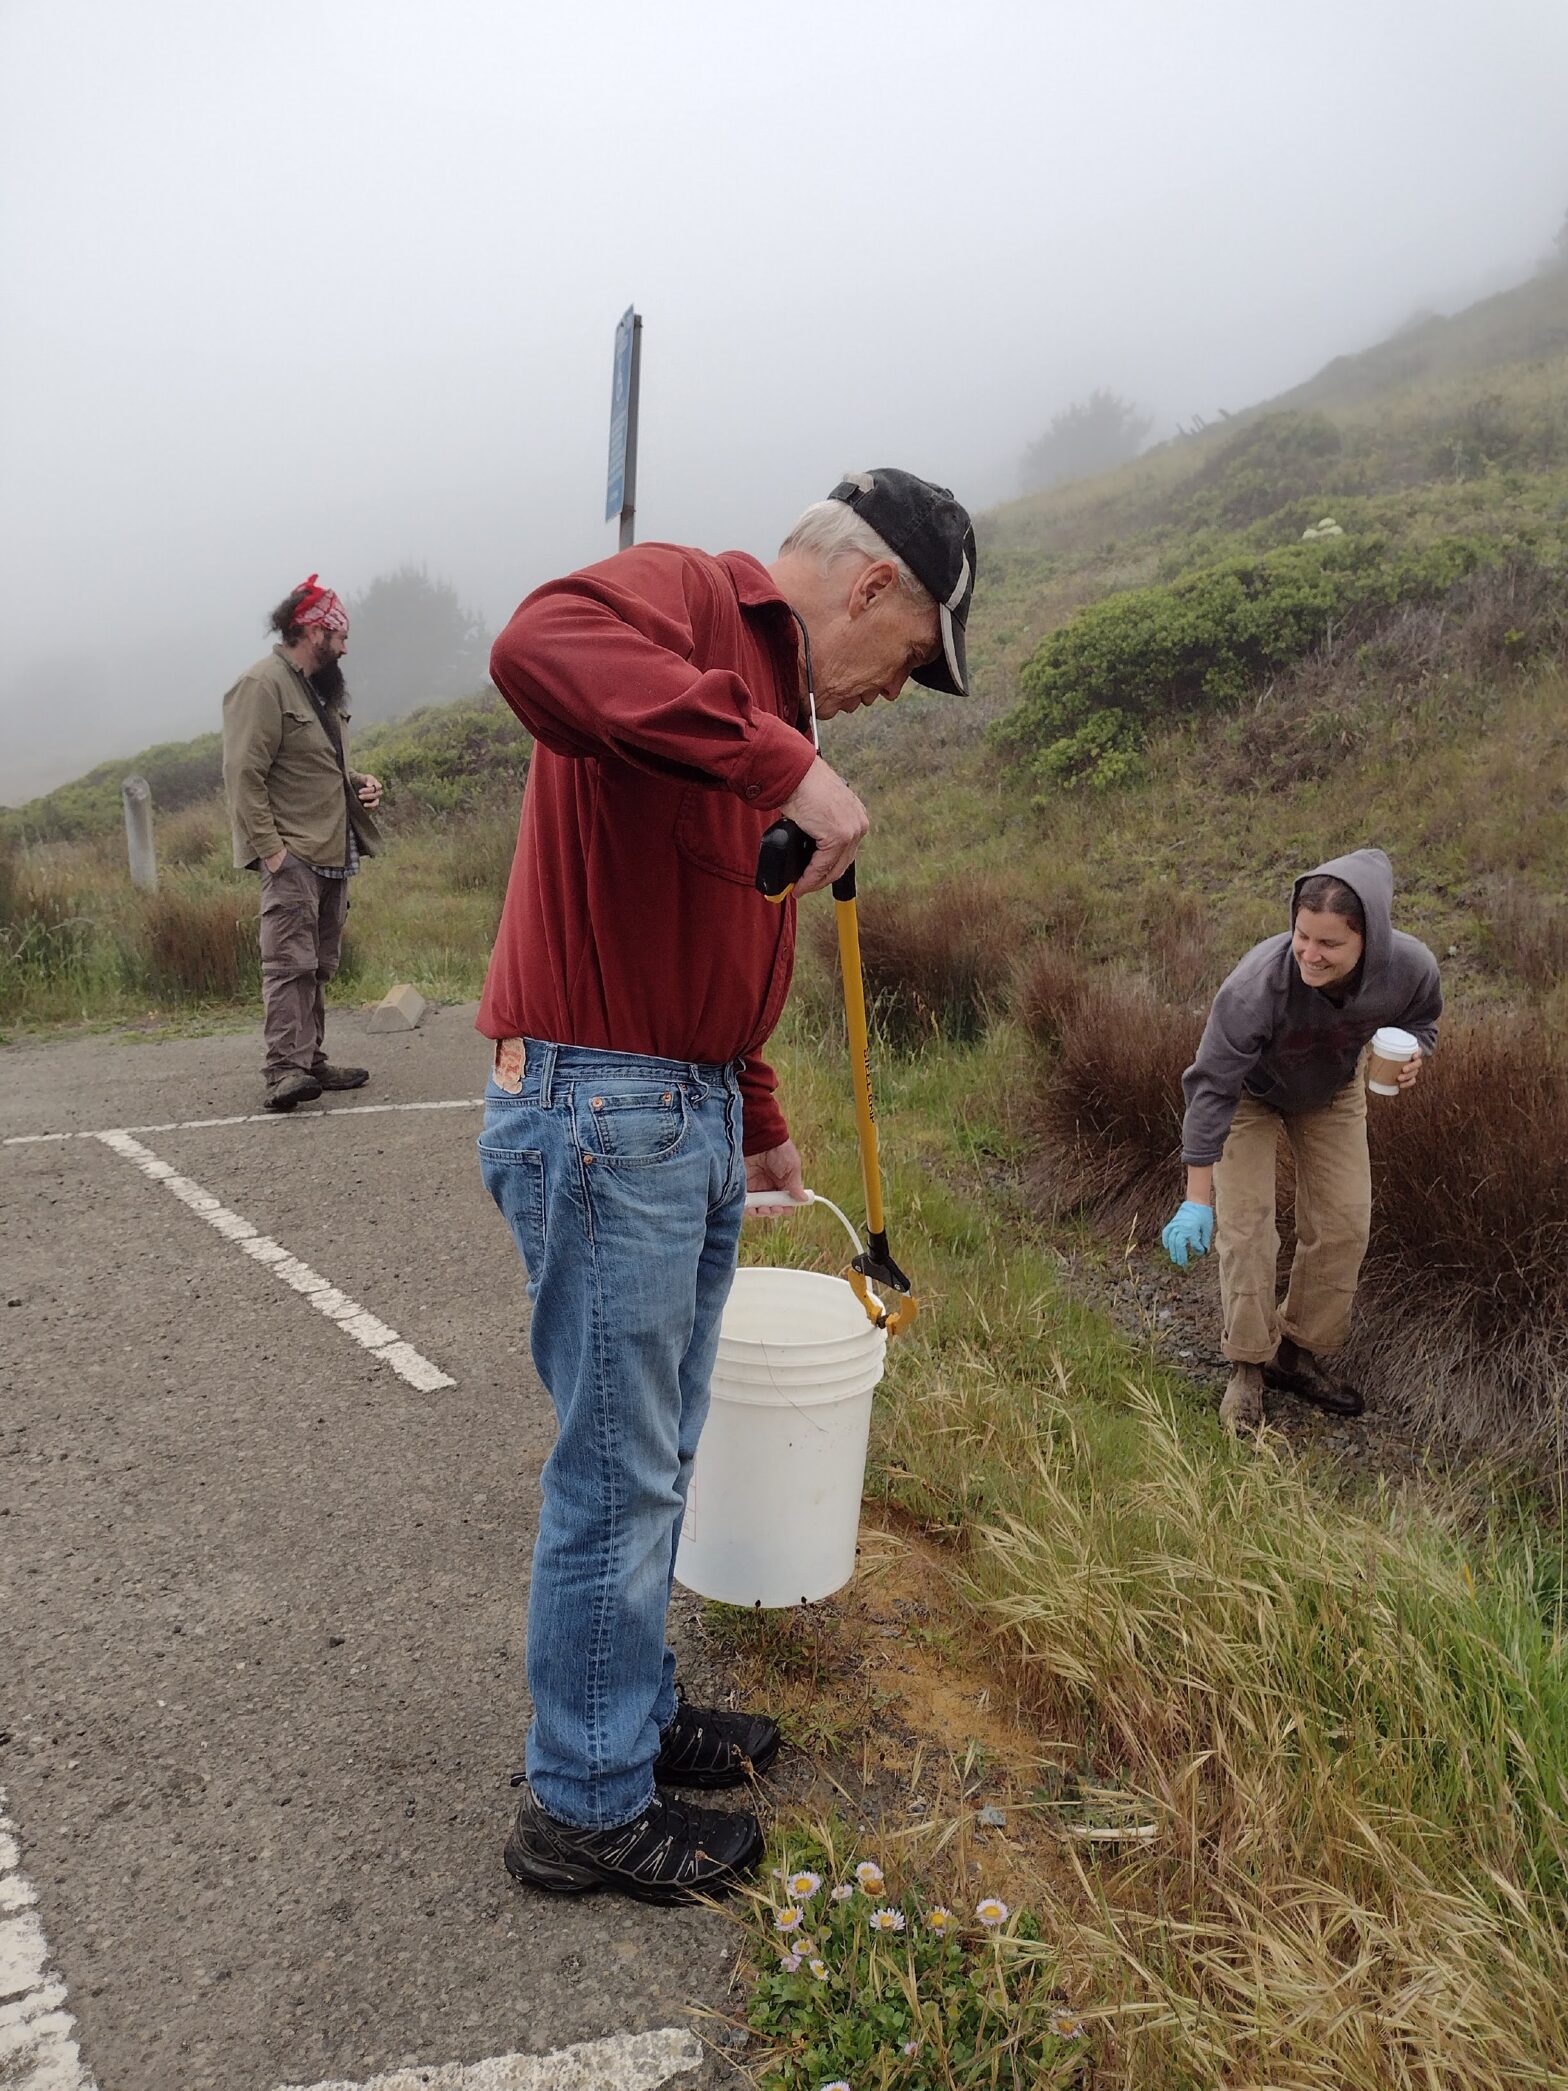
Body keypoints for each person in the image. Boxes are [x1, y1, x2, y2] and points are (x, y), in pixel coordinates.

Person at [477, 469, 976, 1903]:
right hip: (600, 1100)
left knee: (664, 1452)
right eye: (916, 656)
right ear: (873, 584)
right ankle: (582, 1803)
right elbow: (534, 644)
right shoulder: (696, 597)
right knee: (619, 1470)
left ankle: (623, 1717)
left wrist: (753, 1109)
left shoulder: (772, 699)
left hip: (674, 1103)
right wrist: (776, 757)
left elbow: (714, 916)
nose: (901, 690)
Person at [1162, 848, 1442, 1431]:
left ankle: (1297, 1352)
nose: (1310, 955)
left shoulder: (1410, 968)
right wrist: (1196, 1196)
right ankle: (1246, 1364)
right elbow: (1211, 1086)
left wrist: (1417, 1053)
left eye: (1330, 944)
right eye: (1302, 936)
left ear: (1371, 940)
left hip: (1331, 1090)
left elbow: (1422, 1021)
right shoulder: (1255, 987)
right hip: (1249, 1094)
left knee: (1343, 1223)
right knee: (1248, 1229)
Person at [222, 576, 384, 1111]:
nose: (345, 645)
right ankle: (284, 1071)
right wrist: (272, 851)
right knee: (288, 963)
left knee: (317, 963)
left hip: (332, 848)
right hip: (293, 851)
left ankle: (310, 1060)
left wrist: (356, 782)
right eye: (339, 634)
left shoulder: (315, 687)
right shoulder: (262, 684)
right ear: (314, 630)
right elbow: (244, 774)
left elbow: (310, 763)